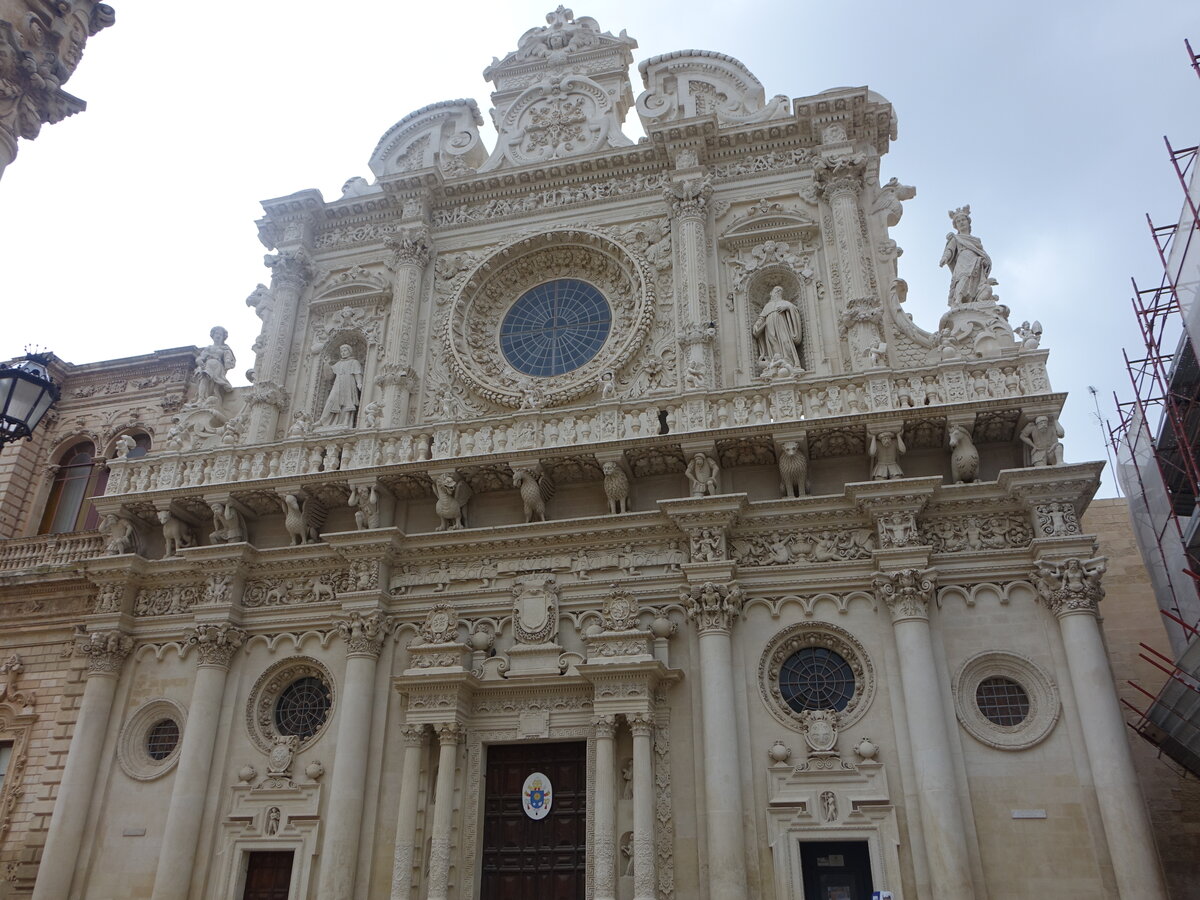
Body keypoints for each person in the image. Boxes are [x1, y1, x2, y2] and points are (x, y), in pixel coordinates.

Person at [939, 206, 992, 306]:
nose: (961, 222)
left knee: (975, 280)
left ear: (968, 222)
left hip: (976, 262)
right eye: (958, 221)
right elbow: (949, 249)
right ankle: (958, 300)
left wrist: (985, 261)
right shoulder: (956, 238)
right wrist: (945, 258)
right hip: (962, 261)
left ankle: (975, 299)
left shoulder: (976, 240)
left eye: (963, 220)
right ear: (956, 226)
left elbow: (982, 253)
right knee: (963, 278)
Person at [753, 285, 804, 368]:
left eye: (779, 290)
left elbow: (795, 310)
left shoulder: (785, 303)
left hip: (782, 326)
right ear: (771, 293)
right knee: (773, 343)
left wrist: (787, 308)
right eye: (775, 290)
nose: (777, 291)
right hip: (769, 326)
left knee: (786, 341)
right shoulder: (767, 306)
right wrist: (756, 325)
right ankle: (777, 363)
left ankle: (789, 363)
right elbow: (761, 318)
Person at [320, 344, 364, 428]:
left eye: (345, 350)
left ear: (350, 352)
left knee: (348, 402)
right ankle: (323, 421)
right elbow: (329, 376)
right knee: (331, 400)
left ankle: (346, 422)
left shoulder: (354, 362)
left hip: (349, 384)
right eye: (341, 351)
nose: (343, 353)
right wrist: (326, 364)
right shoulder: (339, 363)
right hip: (338, 385)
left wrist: (359, 383)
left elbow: (357, 373)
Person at [194, 326, 236, 404]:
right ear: (213, 335)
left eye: (220, 334)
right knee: (204, 378)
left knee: (213, 383)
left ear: (224, 337)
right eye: (216, 333)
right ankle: (201, 398)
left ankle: (208, 397)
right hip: (207, 365)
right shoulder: (209, 348)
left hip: (217, 366)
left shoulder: (225, 348)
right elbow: (201, 357)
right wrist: (199, 360)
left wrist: (228, 361)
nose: (218, 335)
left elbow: (228, 357)